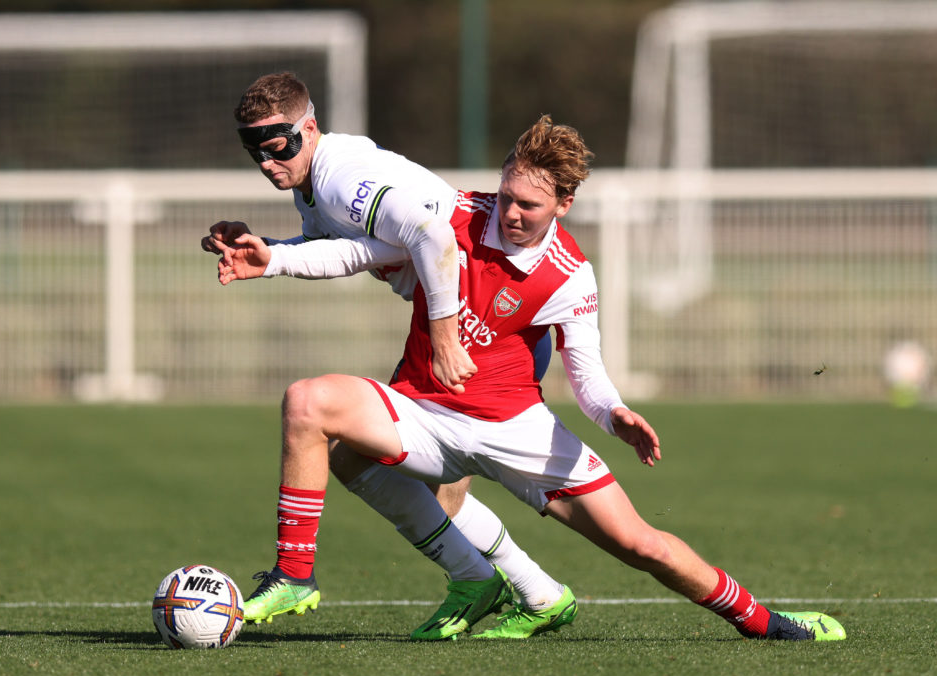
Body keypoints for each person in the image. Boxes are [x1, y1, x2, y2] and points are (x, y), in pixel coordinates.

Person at [216, 114, 847, 642]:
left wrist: (615, 413)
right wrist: (272, 258)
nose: (511, 213)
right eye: (508, 195)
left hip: (516, 432)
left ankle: (764, 622)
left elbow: (588, 376)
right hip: (422, 407)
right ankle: (308, 575)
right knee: (312, 408)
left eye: (530, 205)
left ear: (564, 204)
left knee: (643, 547)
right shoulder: (455, 216)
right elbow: (361, 251)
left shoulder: (571, 275)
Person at [201, 72, 576, 639]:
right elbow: (362, 247)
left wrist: (447, 336)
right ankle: (535, 591)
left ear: (308, 127)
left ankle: (516, 586)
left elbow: (429, 235)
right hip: (468, 322)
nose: (265, 160)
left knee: (398, 471)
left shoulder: (339, 179)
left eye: (276, 146)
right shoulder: (319, 180)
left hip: (481, 328)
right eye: (252, 149)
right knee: (383, 468)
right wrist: (270, 250)